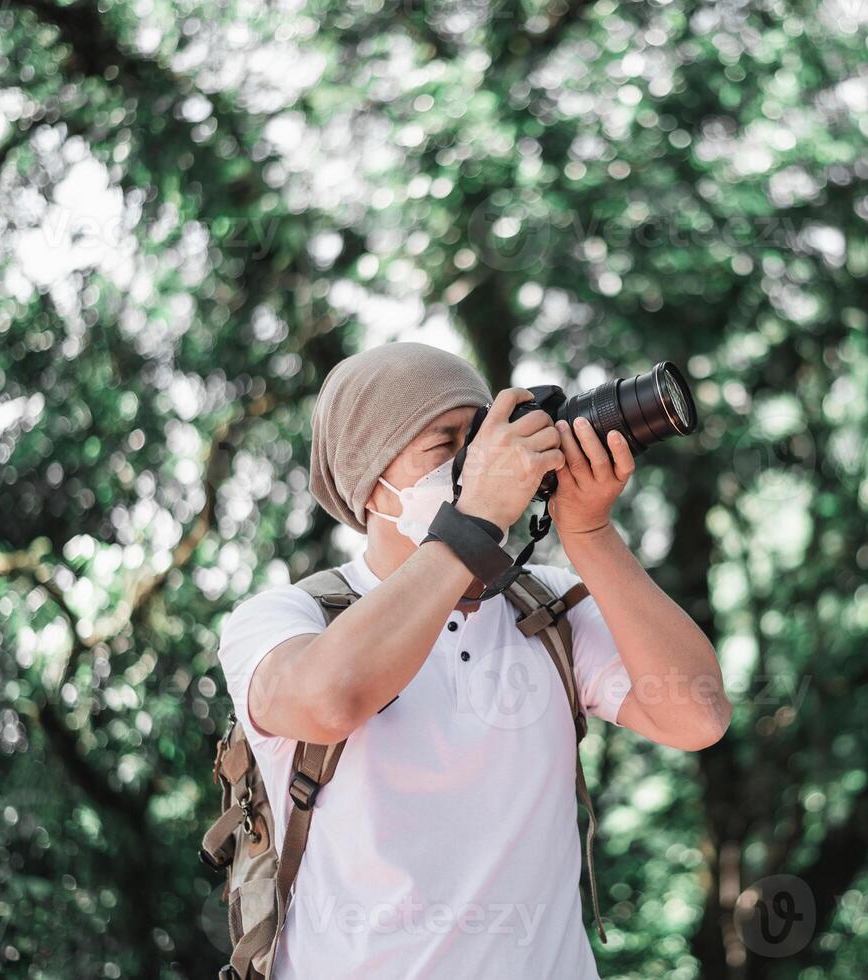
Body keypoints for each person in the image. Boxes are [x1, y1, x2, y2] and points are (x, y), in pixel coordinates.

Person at [217, 342, 731, 979]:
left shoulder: (546, 612)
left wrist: (590, 533)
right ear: (373, 487)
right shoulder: (284, 620)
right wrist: (473, 519)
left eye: (484, 432)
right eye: (447, 443)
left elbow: (698, 716)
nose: (482, 459)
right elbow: (329, 701)